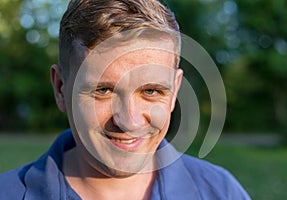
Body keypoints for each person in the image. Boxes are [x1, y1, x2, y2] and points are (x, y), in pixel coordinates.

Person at [0, 0, 251, 199]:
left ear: (174, 92)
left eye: (151, 91)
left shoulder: (220, 192)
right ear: (60, 88)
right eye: (103, 91)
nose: (129, 120)